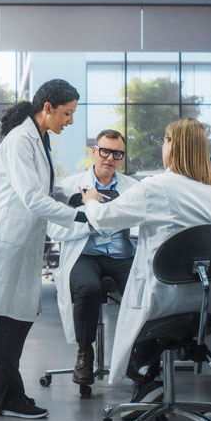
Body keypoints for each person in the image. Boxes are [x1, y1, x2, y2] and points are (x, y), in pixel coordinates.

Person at [81, 118, 211, 404]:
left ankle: (146, 380)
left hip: (160, 303)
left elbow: (104, 219)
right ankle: (148, 380)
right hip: (203, 306)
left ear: (175, 147)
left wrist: (91, 200)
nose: (163, 145)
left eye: (166, 139)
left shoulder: (155, 188)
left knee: (132, 307)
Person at [0, 79, 84, 419]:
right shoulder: (20, 140)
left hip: (22, 237)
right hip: (7, 238)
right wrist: (80, 214)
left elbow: (45, 186)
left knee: (19, 315)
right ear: (48, 108)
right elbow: (32, 197)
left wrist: (76, 196)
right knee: (10, 316)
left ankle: (2, 387)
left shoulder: (39, 137)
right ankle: (9, 396)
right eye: (67, 113)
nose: (70, 121)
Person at [47, 129, 137, 386]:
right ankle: (85, 352)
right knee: (88, 288)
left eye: (117, 153)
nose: (110, 157)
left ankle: (135, 353)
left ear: (121, 157)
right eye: (105, 151)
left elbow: (143, 223)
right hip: (85, 254)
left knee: (141, 288)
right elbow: (53, 228)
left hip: (122, 254)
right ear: (95, 152)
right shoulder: (69, 186)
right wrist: (93, 217)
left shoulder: (133, 188)